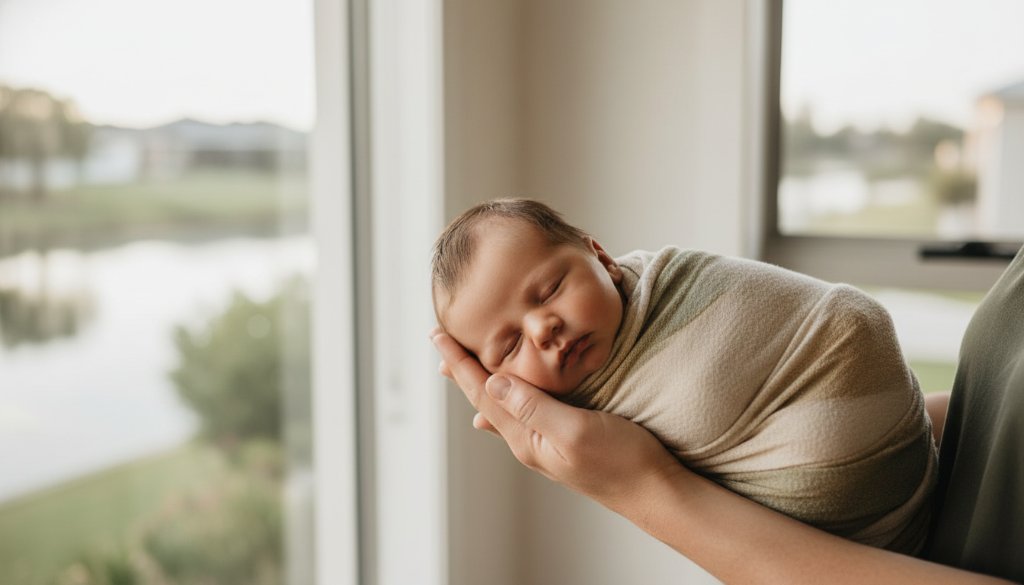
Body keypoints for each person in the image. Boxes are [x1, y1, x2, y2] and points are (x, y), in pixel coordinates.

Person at [431, 234, 1024, 584]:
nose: (543, 327)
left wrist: (645, 490)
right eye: (508, 347)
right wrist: (868, 423)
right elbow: (998, 422)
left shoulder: (671, 291)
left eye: (550, 288)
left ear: (601, 256)